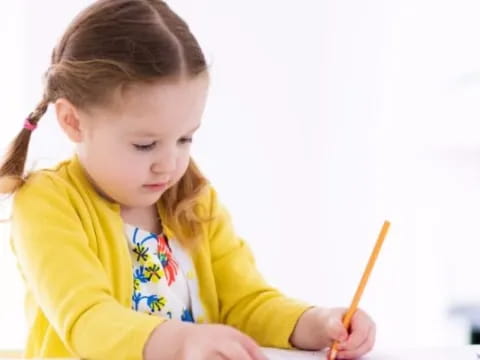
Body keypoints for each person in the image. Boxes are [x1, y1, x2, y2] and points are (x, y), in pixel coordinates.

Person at [0, 1, 376, 359]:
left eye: (185, 139)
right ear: (73, 122)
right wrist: (182, 343)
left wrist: (316, 323)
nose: (169, 165)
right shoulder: (47, 201)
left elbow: (244, 301)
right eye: (145, 144)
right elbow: (87, 319)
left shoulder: (192, 198)